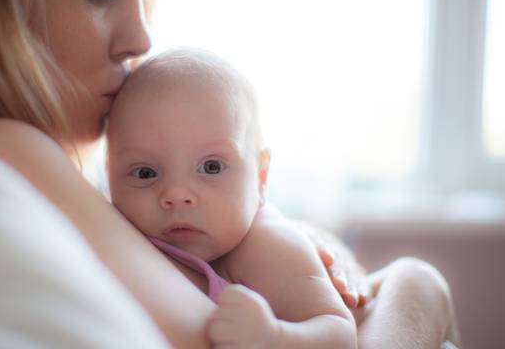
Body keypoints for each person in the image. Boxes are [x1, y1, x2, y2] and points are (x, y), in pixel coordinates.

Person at [0, 0, 460, 348]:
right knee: (415, 278)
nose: (140, 40)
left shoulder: (54, 179)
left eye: (212, 166)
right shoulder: (8, 150)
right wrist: (414, 292)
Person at [105, 48, 356, 348]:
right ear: (108, 176)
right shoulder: (110, 227)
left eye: (211, 167)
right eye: (145, 173)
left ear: (260, 175)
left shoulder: (267, 246)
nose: (176, 195)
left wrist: (274, 338)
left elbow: (341, 334)